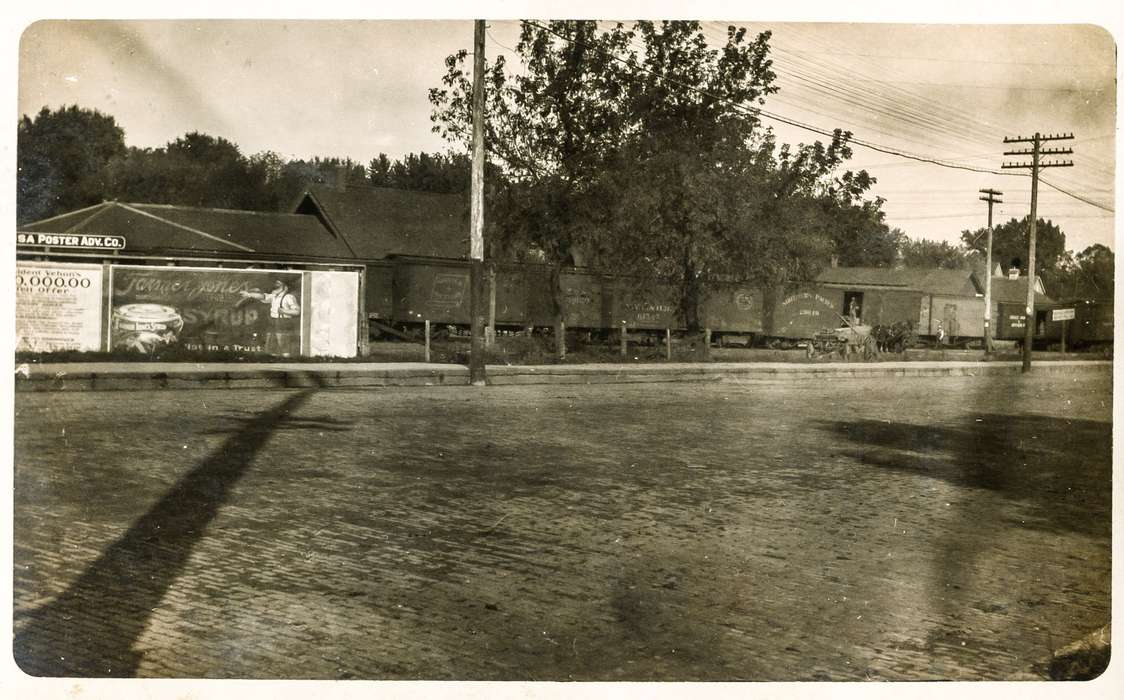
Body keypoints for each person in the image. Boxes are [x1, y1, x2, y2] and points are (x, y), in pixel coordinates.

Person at [240, 279, 300, 356]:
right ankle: (272, 358)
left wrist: (284, 311)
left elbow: (297, 311)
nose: (275, 286)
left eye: (279, 284)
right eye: (276, 283)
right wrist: (249, 294)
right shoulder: (273, 296)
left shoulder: (289, 297)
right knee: (271, 342)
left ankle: (286, 360)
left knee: (283, 342)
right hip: (272, 321)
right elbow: (262, 296)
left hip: (283, 321)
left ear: (285, 288)